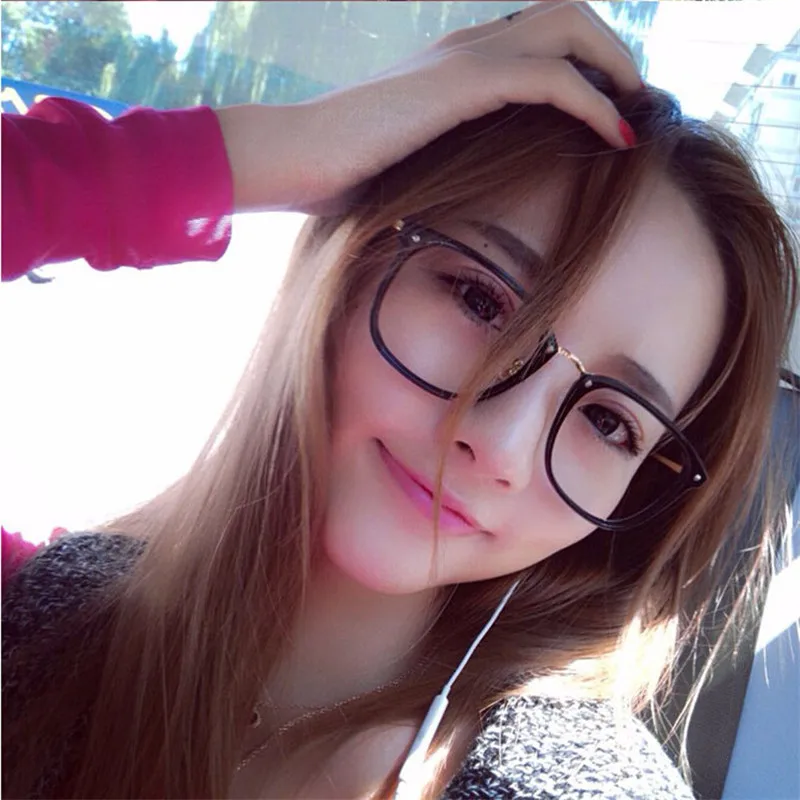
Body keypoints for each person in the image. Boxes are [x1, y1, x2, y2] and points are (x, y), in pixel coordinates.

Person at [2, 3, 797, 798]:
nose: (504, 446)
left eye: (608, 420)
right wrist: (283, 145)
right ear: (355, 257)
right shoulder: (55, 616)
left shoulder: (556, 777)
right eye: (481, 300)